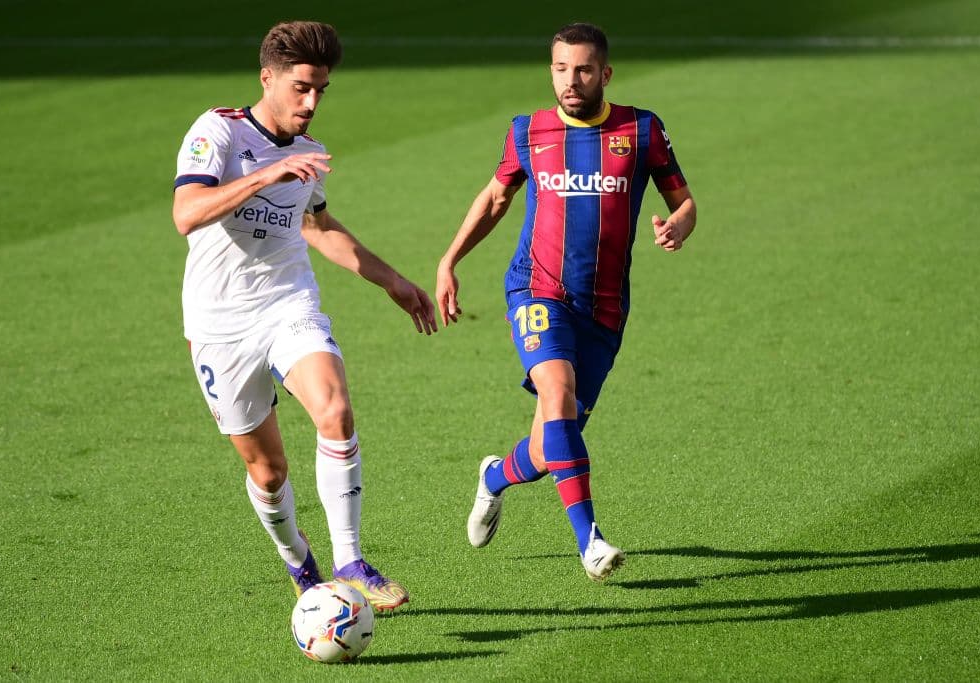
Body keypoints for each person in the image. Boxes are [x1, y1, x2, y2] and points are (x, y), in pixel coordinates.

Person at [172, 20, 437, 611]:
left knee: (334, 410)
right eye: (301, 88)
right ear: (267, 78)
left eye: (321, 90)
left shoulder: (306, 152)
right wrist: (264, 174)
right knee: (268, 473)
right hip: (218, 324)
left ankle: (350, 561)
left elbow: (316, 226)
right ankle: (300, 562)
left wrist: (392, 280)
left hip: (288, 302)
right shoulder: (218, 131)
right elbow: (186, 213)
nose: (312, 102)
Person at [435, 22, 697, 581]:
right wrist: (449, 260)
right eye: (560, 69)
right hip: (537, 288)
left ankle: (493, 477)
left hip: (604, 308)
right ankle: (590, 541)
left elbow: (685, 201)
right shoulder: (528, 131)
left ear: (605, 73)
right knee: (557, 393)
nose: (570, 81)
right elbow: (496, 198)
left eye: (582, 70)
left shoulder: (642, 129)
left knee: (549, 442)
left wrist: (679, 224)